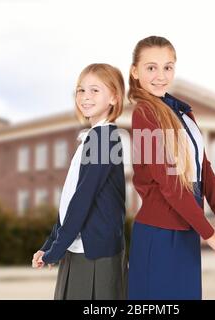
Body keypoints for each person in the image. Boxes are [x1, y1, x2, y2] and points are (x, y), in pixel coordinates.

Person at [128, 36, 215, 300]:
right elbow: (169, 182)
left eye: (167, 67)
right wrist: (211, 234)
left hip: (187, 231)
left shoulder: (185, 115)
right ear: (135, 71)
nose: (160, 76)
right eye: (151, 67)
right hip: (159, 234)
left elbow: (205, 171)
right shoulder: (144, 114)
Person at [32, 63, 127, 300]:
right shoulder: (91, 138)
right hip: (77, 248)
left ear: (114, 97)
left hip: (96, 253)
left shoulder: (105, 138)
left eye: (95, 90)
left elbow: (83, 199)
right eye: (80, 90)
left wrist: (55, 250)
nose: (85, 97)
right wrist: (50, 244)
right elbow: (69, 200)